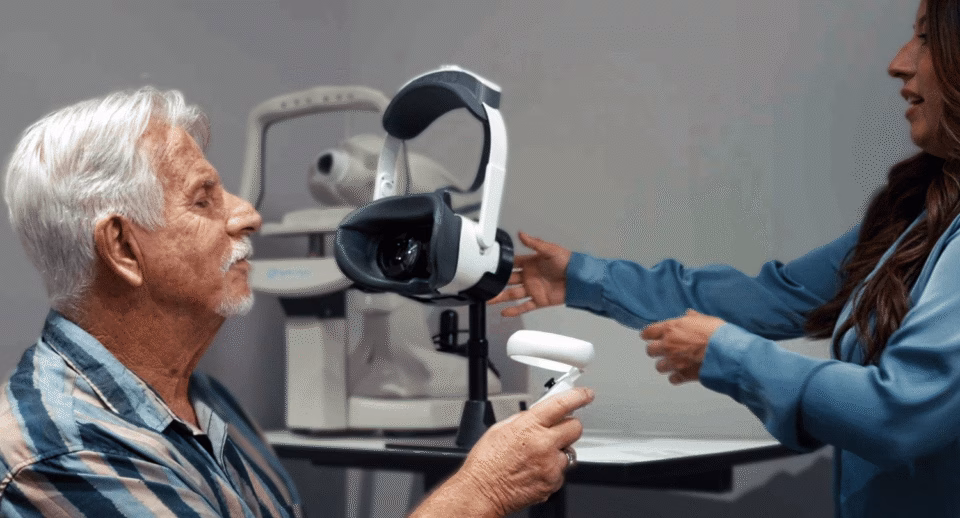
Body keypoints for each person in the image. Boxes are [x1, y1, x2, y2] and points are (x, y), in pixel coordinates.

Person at [0, 86, 593, 517]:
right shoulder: (66, 451)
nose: (249, 214)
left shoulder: (202, 403)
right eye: (204, 200)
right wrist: (480, 493)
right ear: (123, 247)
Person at [489, 0, 960, 516]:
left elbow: (896, 415)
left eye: (926, 38)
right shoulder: (918, 212)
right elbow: (774, 297)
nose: (899, 61)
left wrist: (728, 355)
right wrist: (582, 278)